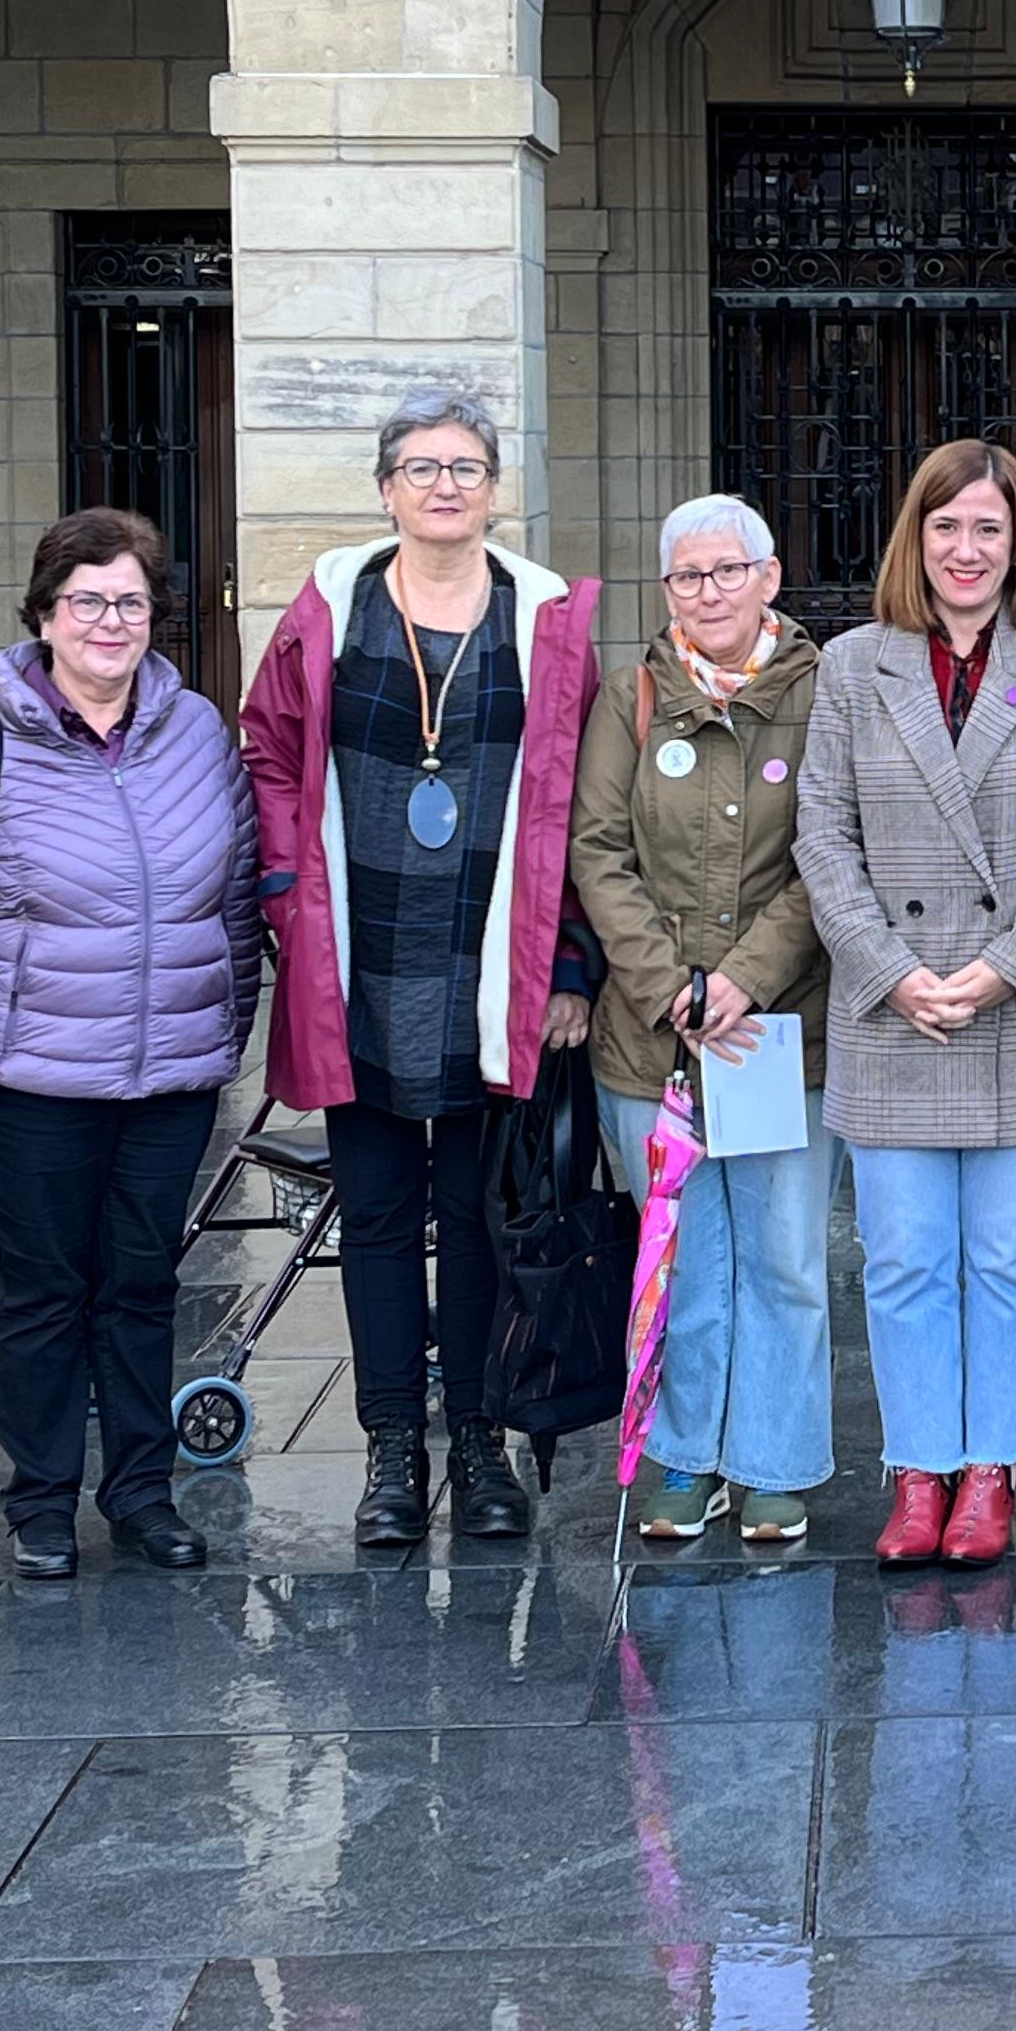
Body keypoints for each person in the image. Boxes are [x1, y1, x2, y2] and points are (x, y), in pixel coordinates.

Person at [244, 390, 600, 1550]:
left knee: (479, 1214)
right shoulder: (330, 606)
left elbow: (586, 807)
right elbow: (270, 755)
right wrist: (292, 909)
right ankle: (393, 1449)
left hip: (494, 956)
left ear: (496, 486)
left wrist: (573, 969)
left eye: (466, 467)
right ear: (385, 486)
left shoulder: (545, 618)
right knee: (385, 1215)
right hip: (365, 955)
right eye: (421, 467)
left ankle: (482, 1443)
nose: (445, 486)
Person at [0, 509, 261, 1581]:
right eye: (86, 600)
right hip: (30, 1077)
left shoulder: (198, 737)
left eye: (130, 601)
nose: (110, 620)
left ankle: (140, 1490)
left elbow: (235, 898)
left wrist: (226, 1025)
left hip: (169, 1076)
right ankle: (40, 1500)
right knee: (46, 1287)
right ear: (44, 615)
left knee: (143, 1285)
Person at [795, 439, 1016, 1569]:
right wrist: (893, 972)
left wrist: (1004, 966)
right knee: (902, 1261)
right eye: (946, 528)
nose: (967, 549)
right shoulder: (854, 665)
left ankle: (992, 1469)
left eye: (988, 527)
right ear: (915, 541)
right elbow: (823, 839)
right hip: (896, 1010)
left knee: (1010, 1259)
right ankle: (919, 1469)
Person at [571, 493, 834, 1547]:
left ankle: (773, 1463)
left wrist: (746, 978)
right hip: (652, 1044)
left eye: (729, 571)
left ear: (771, 578)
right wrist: (667, 986)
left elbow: (836, 851)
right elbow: (596, 848)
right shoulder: (633, 695)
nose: (709, 592)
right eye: (688, 576)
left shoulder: (826, 692)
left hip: (779, 1038)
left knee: (781, 1256)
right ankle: (683, 1457)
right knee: (676, 1256)